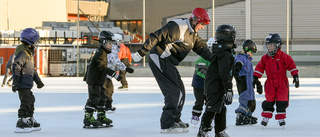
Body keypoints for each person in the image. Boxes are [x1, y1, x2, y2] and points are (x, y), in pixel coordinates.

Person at [131, 7, 213, 133]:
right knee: (173, 91)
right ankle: (167, 124)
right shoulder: (178, 27)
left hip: (169, 62)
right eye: (202, 24)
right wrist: (142, 52)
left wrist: (217, 60)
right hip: (159, 57)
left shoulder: (193, 35)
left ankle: (175, 119)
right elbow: (156, 36)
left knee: (180, 91)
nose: (202, 27)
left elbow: (202, 49)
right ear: (195, 20)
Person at [197, 24, 238, 137]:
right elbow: (224, 73)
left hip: (218, 86)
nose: (235, 39)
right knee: (212, 109)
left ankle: (220, 131)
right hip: (215, 86)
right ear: (228, 37)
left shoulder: (225, 52)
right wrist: (228, 88)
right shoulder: (224, 53)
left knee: (221, 109)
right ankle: (203, 131)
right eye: (233, 36)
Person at [253, 33, 299, 127]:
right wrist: (255, 77)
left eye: (272, 45)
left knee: (282, 100)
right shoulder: (265, 58)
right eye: (268, 46)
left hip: (282, 83)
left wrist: (295, 76)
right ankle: (266, 117)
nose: (269, 48)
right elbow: (259, 68)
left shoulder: (283, 56)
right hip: (270, 83)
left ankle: (281, 118)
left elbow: (291, 65)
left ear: (278, 46)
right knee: (269, 100)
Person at [83, 30, 122, 128]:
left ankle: (101, 116)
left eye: (111, 43)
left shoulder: (104, 52)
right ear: (103, 42)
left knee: (103, 97)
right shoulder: (100, 52)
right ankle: (88, 117)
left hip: (99, 80)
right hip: (94, 80)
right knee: (94, 98)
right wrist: (114, 74)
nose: (111, 45)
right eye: (109, 43)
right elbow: (102, 67)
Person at [12, 28, 44, 133]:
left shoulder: (29, 54)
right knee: (25, 102)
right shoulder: (23, 53)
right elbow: (16, 66)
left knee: (31, 100)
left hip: (28, 83)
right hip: (22, 83)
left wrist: (38, 81)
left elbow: (32, 70)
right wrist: (15, 81)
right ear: (30, 40)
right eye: (35, 41)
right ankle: (21, 120)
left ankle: (29, 118)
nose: (36, 43)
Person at [104, 33, 134, 112]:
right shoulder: (112, 49)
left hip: (108, 74)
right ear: (116, 41)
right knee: (105, 90)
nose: (121, 43)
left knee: (109, 89)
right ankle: (102, 106)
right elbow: (116, 61)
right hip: (104, 73)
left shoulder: (114, 48)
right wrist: (126, 68)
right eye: (120, 41)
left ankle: (107, 105)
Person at [190, 38, 215, 127]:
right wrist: (211, 77)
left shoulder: (215, 59)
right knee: (199, 101)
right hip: (199, 85)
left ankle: (210, 117)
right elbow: (201, 70)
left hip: (209, 85)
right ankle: (195, 116)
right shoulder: (202, 59)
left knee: (210, 101)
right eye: (211, 48)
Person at [233, 39, 258, 126]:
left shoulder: (249, 61)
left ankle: (247, 115)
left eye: (252, 52)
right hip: (242, 81)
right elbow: (238, 63)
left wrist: (255, 81)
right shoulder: (241, 57)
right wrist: (236, 70)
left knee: (251, 100)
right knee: (245, 98)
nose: (250, 53)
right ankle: (240, 115)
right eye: (250, 51)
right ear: (245, 49)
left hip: (249, 82)